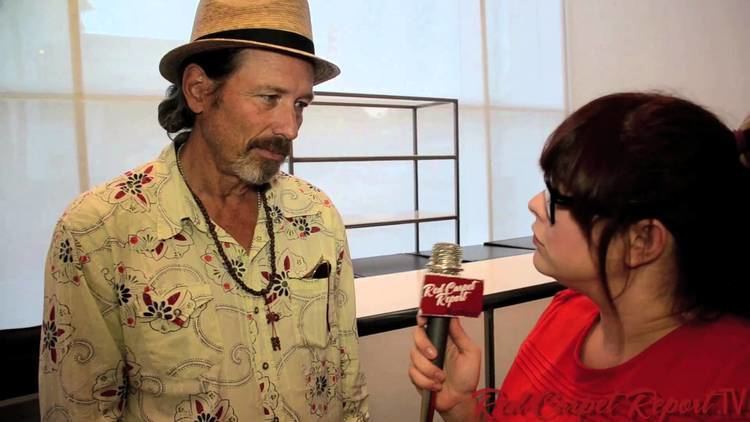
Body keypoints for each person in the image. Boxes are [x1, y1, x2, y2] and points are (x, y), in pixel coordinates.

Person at [39, 0, 369, 420]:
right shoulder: (99, 230)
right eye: (269, 98)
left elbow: (347, 380)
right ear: (199, 90)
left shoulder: (316, 215)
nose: (290, 128)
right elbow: (79, 408)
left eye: (300, 104)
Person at [409, 92, 750, 421]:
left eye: (557, 197)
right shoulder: (567, 312)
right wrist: (461, 408)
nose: (534, 204)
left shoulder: (730, 382)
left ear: (642, 240)